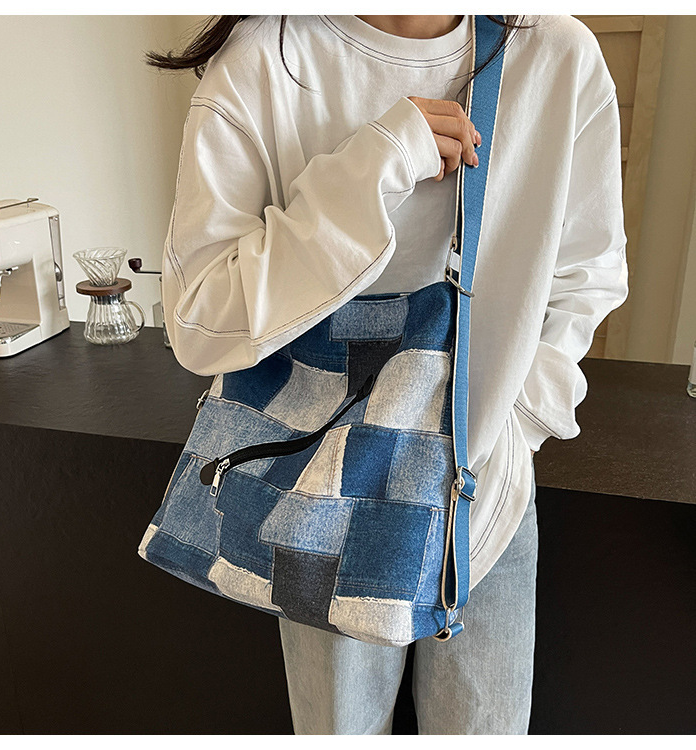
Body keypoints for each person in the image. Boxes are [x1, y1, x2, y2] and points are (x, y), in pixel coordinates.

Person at [146, 14, 629, 734]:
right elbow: (199, 322)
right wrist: (371, 168)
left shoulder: (554, 54)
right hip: (318, 489)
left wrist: (516, 424)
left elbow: (587, 273)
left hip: (481, 493)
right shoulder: (266, 59)